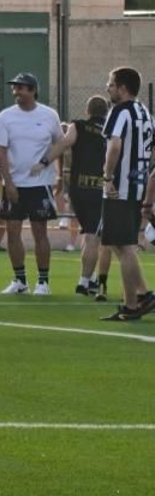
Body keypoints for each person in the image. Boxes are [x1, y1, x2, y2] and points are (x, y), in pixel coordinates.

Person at [0, 73, 63, 295]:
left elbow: (59, 145)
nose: (16, 92)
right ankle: (20, 280)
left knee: (41, 232)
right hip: (14, 184)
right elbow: (0, 150)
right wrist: (8, 182)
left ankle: (43, 282)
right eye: (15, 88)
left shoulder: (49, 115)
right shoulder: (5, 117)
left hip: (40, 185)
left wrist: (58, 175)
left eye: (21, 87)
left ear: (32, 90)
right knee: (12, 231)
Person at [96, 67, 155, 322]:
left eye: (111, 84)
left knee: (125, 245)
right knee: (120, 244)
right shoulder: (145, 113)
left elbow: (115, 145)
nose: (108, 88)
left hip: (119, 186)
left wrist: (108, 177)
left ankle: (135, 302)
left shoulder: (119, 112)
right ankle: (139, 297)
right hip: (137, 184)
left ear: (122, 87)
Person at [41, 96, 110, 300]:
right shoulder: (112, 128)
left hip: (79, 189)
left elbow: (65, 143)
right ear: (106, 112)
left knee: (88, 233)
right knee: (93, 237)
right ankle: (84, 282)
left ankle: (88, 281)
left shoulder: (77, 125)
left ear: (87, 111)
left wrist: (45, 162)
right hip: (100, 188)